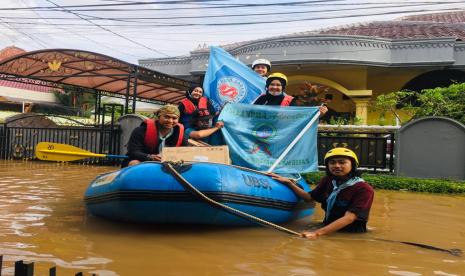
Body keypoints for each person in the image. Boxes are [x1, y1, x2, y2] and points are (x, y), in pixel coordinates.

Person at [269, 147, 374, 240]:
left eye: (342, 162)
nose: (337, 166)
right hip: (326, 228)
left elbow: (349, 218)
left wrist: (317, 233)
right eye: (332, 162)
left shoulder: (364, 189)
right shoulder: (328, 181)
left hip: (350, 235)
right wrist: (289, 183)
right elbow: (309, 197)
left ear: (353, 165)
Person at [123, 104, 188, 167]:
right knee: (134, 163)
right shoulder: (140, 131)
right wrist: (151, 157)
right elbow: (133, 151)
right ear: (159, 117)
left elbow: (185, 152)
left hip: (169, 164)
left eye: (174, 118)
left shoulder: (180, 133)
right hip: (143, 161)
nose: (170, 121)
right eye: (166, 117)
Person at [253, 72, 328, 116]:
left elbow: (301, 116)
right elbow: (250, 114)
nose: (275, 87)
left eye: (278, 85)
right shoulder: (261, 98)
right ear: (267, 86)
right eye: (272, 84)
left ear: (283, 87)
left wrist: (319, 113)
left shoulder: (291, 100)